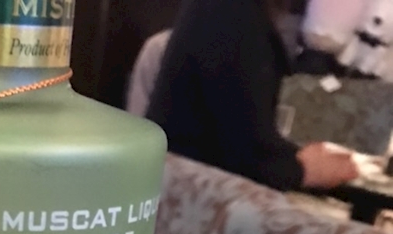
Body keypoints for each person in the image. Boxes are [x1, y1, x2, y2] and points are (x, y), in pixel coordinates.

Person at [146, 0, 359, 191]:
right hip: (190, 199)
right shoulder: (233, 13)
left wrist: (297, 159)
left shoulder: (238, 12)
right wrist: (303, 169)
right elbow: (245, 151)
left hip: (181, 189)